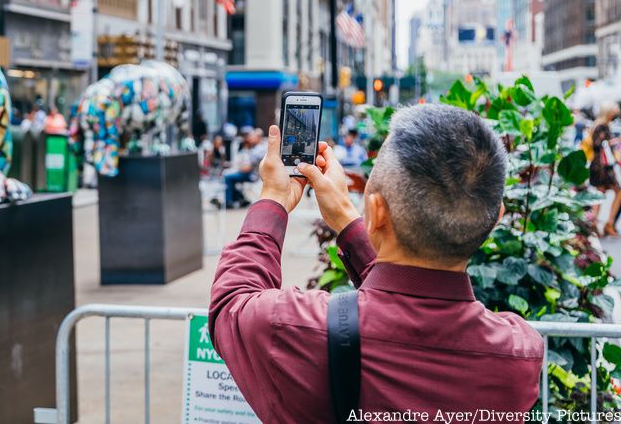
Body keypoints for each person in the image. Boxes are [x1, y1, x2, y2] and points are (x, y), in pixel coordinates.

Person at [209, 105, 542, 421]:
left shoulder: (296, 328)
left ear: (377, 211)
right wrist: (346, 218)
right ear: (495, 218)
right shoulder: (519, 354)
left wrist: (274, 198)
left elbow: (230, 304)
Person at [214, 128, 265, 208]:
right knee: (229, 177)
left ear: (259, 137)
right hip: (249, 173)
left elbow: (247, 168)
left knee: (228, 177)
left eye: (253, 136)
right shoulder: (255, 148)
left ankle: (229, 203)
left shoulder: (259, 149)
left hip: (252, 175)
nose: (250, 138)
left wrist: (235, 170)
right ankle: (240, 199)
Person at [593, 103, 621, 236]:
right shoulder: (602, 126)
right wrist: (612, 142)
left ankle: (596, 225)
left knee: (600, 194)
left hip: (601, 166)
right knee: (613, 191)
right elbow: (598, 144)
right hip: (602, 167)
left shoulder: (601, 125)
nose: (617, 111)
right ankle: (606, 224)